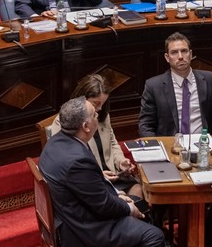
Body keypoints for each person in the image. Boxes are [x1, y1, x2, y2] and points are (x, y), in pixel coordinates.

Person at [39, 96, 165, 247]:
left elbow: (92, 189)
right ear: (86, 126)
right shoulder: (78, 160)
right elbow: (103, 205)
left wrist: (117, 195)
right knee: (154, 236)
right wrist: (128, 208)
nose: (98, 115)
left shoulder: (56, 142)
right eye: (94, 114)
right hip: (86, 228)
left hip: (74, 213)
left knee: (138, 204)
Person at [50, 74, 143, 200]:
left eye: (103, 103)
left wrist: (120, 162)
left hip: (113, 175)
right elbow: (66, 162)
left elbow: (113, 142)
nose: (99, 108)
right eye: (96, 103)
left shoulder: (103, 116)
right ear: (82, 99)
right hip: (91, 182)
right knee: (127, 203)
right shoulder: (64, 122)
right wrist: (98, 175)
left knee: (139, 191)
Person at [139, 32, 212, 137]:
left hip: (203, 144)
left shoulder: (209, 79)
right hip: (171, 146)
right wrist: (158, 149)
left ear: (190, 54)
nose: (180, 56)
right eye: (174, 52)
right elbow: (145, 125)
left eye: (184, 51)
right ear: (167, 57)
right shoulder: (153, 86)